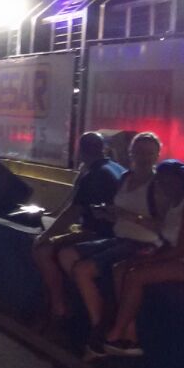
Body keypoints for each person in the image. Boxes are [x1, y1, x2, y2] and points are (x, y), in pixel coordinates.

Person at [98, 160, 184, 358]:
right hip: (182, 260)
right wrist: (149, 255)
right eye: (162, 182)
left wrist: (147, 260)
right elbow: (168, 241)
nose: (166, 186)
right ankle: (129, 333)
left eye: (170, 181)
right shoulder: (173, 205)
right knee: (120, 268)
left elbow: (182, 249)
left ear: (182, 181)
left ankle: (115, 334)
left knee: (136, 275)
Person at [59, 133, 163, 354]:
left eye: (149, 153)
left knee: (83, 269)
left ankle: (101, 326)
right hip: (119, 237)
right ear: (131, 153)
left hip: (142, 242)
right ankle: (97, 316)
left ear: (157, 156)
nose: (144, 157)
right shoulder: (125, 178)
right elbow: (119, 214)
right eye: (139, 152)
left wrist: (128, 215)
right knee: (67, 254)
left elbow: (162, 226)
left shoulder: (158, 185)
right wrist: (108, 214)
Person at [32, 132, 125, 326]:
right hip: (117, 233)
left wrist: (46, 236)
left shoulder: (93, 176)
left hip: (99, 233)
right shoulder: (118, 168)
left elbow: (72, 213)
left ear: (80, 151)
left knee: (43, 250)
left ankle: (59, 309)